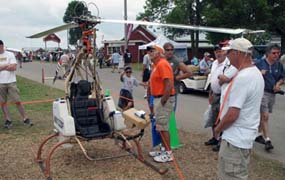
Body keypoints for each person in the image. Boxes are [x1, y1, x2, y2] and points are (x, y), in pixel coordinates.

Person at [215, 38, 264, 180]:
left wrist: (218, 129)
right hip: (244, 137)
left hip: (235, 139)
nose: (227, 56)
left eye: (229, 52)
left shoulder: (243, 78)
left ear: (237, 53)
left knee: (231, 175)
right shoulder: (255, 73)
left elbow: (233, 114)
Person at [205, 42, 237, 152]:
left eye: (220, 51)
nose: (218, 53)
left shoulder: (228, 64)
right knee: (213, 117)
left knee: (222, 118)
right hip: (214, 94)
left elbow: (227, 78)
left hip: (224, 95)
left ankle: (221, 140)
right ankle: (215, 137)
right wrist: (210, 93)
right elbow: (211, 79)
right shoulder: (214, 63)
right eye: (216, 51)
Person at [147, 45, 175, 163]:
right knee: (159, 126)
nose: (149, 53)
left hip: (164, 99)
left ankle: (168, 153)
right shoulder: (156, 65)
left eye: (152, 51)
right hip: (159, 98)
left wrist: (163, 100)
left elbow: (169, 83)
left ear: (159, 53)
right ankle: (163, 149)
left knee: (163, 126)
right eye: (149, 51)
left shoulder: (163, 64)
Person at [254, 44, 284, 152]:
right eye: (274, 53)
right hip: (262, 93)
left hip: (272, 94)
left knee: (263, 116)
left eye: (278, 53)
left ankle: (258, 134)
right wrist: (258, 73)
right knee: (265, 116)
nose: (276, 55)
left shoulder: (279, 65)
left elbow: (282, 78)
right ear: (267, 53)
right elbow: (250, 76)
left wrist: (278, 84)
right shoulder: (259, 64)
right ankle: (268, 140)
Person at [0, 40, 33, 128]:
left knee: (17, 101)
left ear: (2, 46)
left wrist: (2, 67)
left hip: (11, 82)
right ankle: (8, 120)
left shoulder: (10, 54)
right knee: (3, 103)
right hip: (0, 83)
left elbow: (14, 67)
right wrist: (7, 66)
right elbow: (9, 66)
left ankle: (25, 118)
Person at [163, 42, 192, 111]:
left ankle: (172, 122)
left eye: (171, 50)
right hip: (163, 90)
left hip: (173, 91)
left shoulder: (176, 61)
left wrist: (177, 77)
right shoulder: (162, 60)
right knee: (163, 112)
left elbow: (189, 73)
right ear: (164, 51)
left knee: (171, 113)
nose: (170, 51)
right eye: (167, 50)